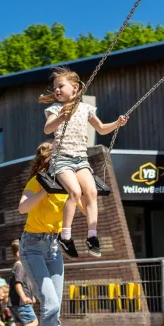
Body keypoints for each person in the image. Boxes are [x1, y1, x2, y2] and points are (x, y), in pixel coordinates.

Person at [40, 66, 128, 259]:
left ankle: (92, 236)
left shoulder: (86, 109)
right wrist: (61, 117)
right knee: (75, 192)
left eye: (60, 86)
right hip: (61, 160)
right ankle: (66, 236)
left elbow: (102, 129)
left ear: (75, 87)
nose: (56, 90)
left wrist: (117, 123)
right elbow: (48, 129)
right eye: (54, 87)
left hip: (80, 159)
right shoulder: (55, 109)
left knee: (92, 192)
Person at [17, 141, 86, 326]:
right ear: (48, 165)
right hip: (32, 246)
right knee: (51, 303)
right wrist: (44, 190)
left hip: (55, 248)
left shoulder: (69, 187)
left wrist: (87, 188)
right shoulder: (36, 182)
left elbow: (86, 209)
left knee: (55, 309)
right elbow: (22, 208)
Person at [6, 238, 37, 326]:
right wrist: (24, 297)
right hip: (20, 302)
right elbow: (18, 284)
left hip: (14, 303)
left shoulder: (20, 266)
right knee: (33, 322)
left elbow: (26, 284)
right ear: (18, 254)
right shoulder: (20, 266)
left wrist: (32, 296)